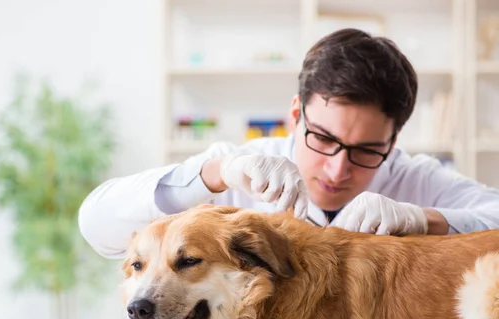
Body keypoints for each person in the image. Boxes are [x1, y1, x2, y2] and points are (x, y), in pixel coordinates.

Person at [78, 28, 499, 259]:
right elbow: (98, 226)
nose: (338, 169)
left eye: (368, 150)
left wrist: (425, 221)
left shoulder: (414, 179)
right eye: (323, 138)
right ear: (296, 114)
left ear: (394, 139)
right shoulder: (240, 168)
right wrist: (216, 174)